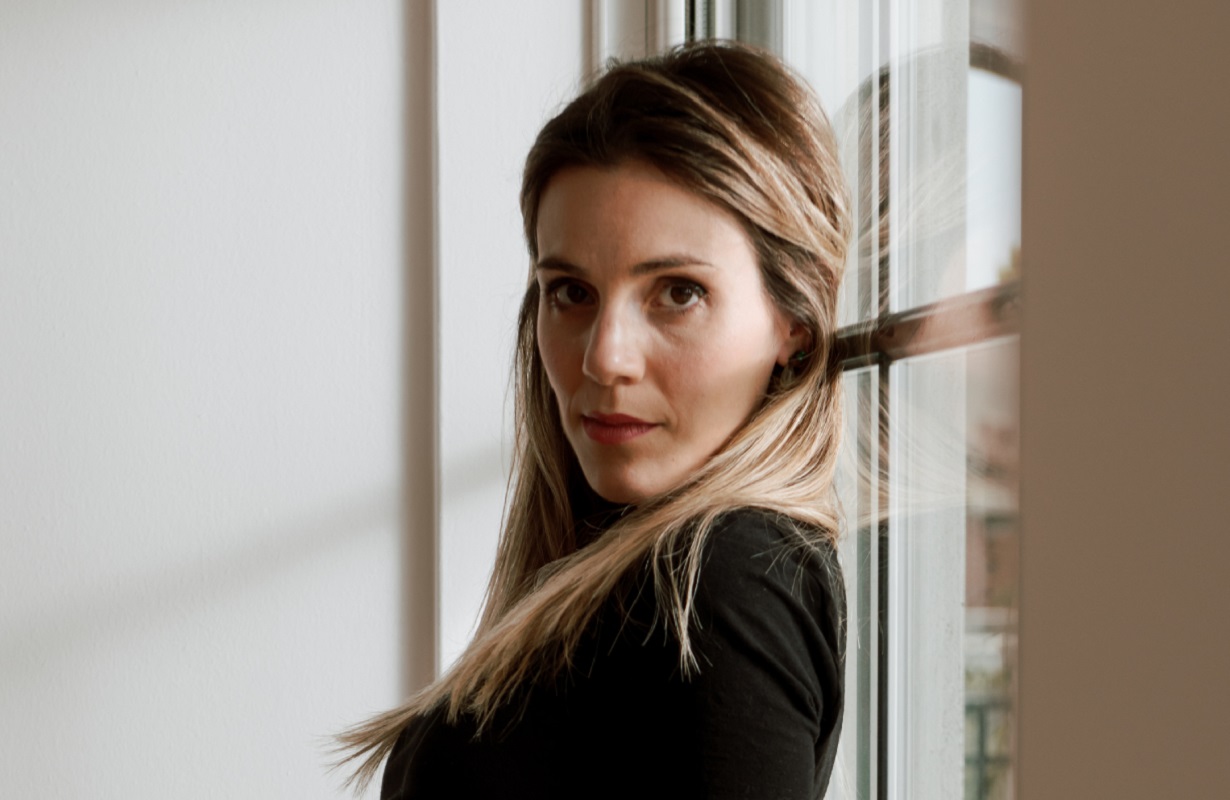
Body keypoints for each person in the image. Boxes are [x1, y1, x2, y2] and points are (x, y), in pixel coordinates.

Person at [338, 40, 851, 800]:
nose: (604, 357)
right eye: (571, 293)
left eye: (678, 292)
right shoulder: (646, 568)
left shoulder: (728, 580)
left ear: (795, 324)